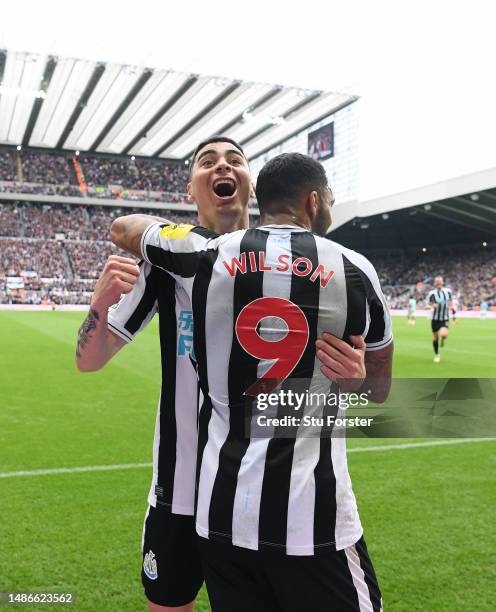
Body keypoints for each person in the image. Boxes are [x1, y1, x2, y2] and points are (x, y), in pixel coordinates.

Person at [111, 152, 394, 612]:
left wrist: (185, 234)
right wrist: (357, 380)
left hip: (219, 517)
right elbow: (379, 392)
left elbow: (124, 227)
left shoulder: (206, 252)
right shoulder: (355, 269)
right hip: (312, 520)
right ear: (314, 201)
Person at [427, 275, 452, 363]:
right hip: (434, 319)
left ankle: (443, 337)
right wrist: (432, 306)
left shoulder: (448, 292)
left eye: (439, 281)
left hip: (444, 318)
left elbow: (450, 303)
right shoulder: (432, 294)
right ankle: (437, 354)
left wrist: (452, 308)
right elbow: (428, 305)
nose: (438, 283)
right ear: (434, 283)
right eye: (437, 282)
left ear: (442, 282)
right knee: (435, 337)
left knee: (444, 334)